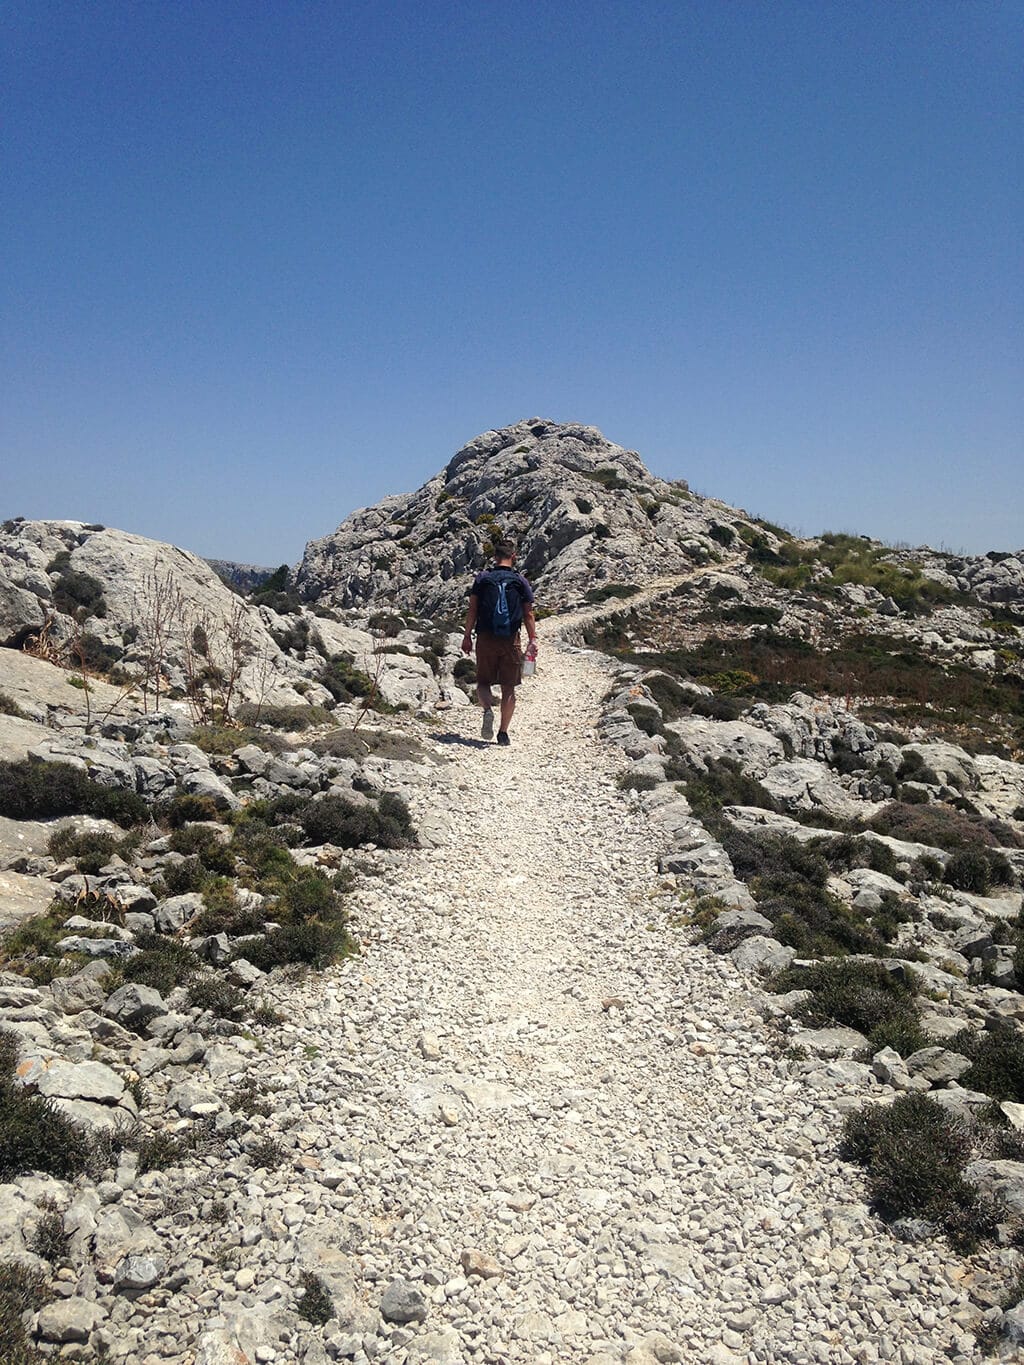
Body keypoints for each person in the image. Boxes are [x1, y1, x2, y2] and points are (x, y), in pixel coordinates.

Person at [461, 540, 537, 746]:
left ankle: (487, 710)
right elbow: (528, 613)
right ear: (513, 556)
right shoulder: (520, 581)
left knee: (483, 682)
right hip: (510, 640)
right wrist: (532, 640)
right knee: (509, 688)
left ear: (495, 557)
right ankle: (503, 733)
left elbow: (473, 610)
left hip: (485, 637)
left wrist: (467, 636)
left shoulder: (483, 579)